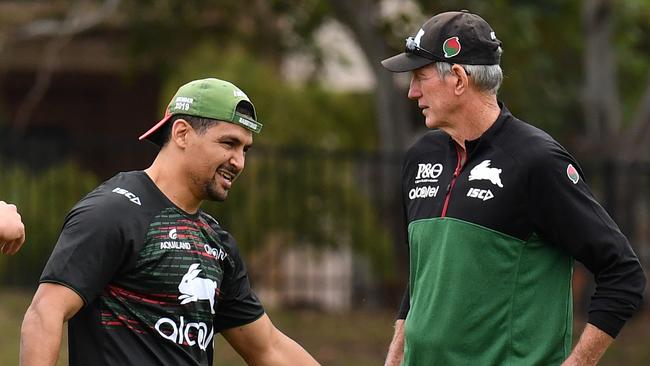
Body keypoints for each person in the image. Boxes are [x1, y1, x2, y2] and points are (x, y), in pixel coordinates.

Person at [380, 10, 646, 366]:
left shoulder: (536, 162)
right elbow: (426, 276)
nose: (412, 92)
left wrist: (578, 362)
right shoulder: (420, 157)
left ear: (458, 79)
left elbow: (623, 274)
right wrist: (396, 355)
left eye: (420, 77)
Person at [20, 78, 320, 366]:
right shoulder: (113, 211)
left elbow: (269, 349)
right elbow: (45, 312)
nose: (239, 162)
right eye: (229, 143)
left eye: (245, 149)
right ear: (182, 134)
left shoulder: (215, 242)